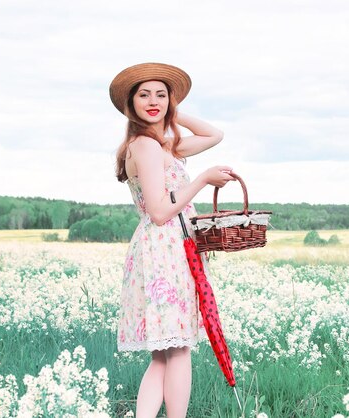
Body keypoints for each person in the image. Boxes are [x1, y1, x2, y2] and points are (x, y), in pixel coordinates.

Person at [109, 63, 234, 418]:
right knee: (177, 350)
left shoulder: (162, 144)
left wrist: (174, 111)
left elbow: (214, 134)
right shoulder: (147, 146)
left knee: (165, 353)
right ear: (130, 103)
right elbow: (161, 210)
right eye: (144, 95)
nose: (153, 102)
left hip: (166, 248)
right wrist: (203, 179)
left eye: (161, 95)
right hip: (164, 248)